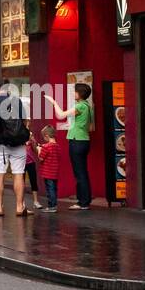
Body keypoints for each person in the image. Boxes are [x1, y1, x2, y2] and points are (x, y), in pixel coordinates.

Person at [0, 80, 31, 217]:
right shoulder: (17, 102)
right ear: (9, 88)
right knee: (19, 174)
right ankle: (20, 207)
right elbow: (25, 122)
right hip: (18, 144)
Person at [49, 82, 95, 210]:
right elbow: (90, 127)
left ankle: (83, 202)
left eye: (75, 91)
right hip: (84, 140)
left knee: (79, 173)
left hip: (77, 141)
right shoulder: (88, 106)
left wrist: (53, 102)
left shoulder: (80, 106)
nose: (73, 93)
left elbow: (61, 115)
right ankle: (84, 201)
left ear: (80, 94)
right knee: (82, 172)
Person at [37, 126, 60, 212]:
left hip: (47, 172)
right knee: (54, 189)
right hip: (55, 172)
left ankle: (51, 206)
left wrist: (39, 149)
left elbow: (41, 158)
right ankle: (54, 205)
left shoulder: (46, 147)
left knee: (49, 189)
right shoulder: (57, 146)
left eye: (44, 137)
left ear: (46, 136)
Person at [24, 131, 43, 210]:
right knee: (21, 182)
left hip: (31, 162)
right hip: (21, 163)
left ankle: (36, 201)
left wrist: (33, 142)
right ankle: (22, 202)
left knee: (33, 181)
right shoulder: (19, 137)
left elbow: (35, 151)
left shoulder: (30, 136)